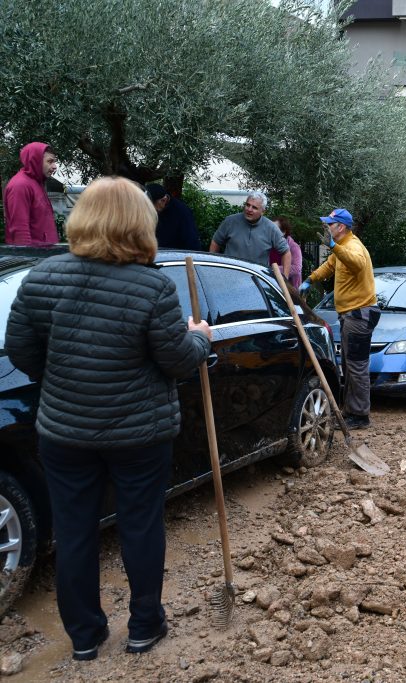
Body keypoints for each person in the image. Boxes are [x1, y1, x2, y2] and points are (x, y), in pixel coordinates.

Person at [4, 177, 212, 660]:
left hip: (65, 433)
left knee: (75, 531)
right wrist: (200, 336)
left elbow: (21, 350)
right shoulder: (152, 287)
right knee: (141, 526)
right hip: (139, 435)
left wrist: (63, 380)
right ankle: (144, 628)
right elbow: (178, 361)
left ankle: (85, 638)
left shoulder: (42, 278)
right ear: (140, 223)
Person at [299, 208, 378, 429]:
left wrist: (333, 246)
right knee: (350, 364)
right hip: (353, 314)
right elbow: (330, 265)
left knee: (356, 366)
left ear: (341, 227)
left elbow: (356, 263)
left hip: (359, 314)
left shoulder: (353, 247)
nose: (327, 228)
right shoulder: (342, 248)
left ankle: (359, 416)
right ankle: (352, 411)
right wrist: (310, 279)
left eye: (330, 225)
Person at [209, 191, 291, 274]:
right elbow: (215, 242)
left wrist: (285, 278)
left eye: (254, 207)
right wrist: (212, 268)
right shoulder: (230, 221)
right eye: (247, 205)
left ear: (263, 211)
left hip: (256, 280)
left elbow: (286, 252)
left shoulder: (271, 228)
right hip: (229, 276)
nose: (249, 209)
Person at [3, 142, 59, 246]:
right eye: (50, 161)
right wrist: (26, 260)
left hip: (44, 256)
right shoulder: (20, 185)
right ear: (35, 160)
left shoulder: (37, 182)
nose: (54, 166)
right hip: (34, 259)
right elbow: (20, 230)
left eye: (54, 162)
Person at [144, 183, 201, 250]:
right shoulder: (153, 210)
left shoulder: (182, 212)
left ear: (163, 200)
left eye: (151, 205)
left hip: (174, 256)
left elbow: (192, 242)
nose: (149, 208)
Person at [269, 216, 303, 288]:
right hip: (271, 285)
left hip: (289, 289)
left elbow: (296, 269)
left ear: (283, 232)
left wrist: (272, 269)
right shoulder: (268, 244)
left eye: (274, 229)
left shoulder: (293, 247)